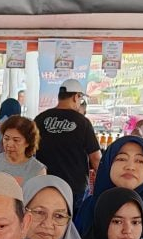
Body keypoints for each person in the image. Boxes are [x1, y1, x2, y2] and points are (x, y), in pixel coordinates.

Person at [34, 79, 102, 211]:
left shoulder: (40, 119)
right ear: (76, 97)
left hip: (45, 184)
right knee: (74, 226)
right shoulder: (83, 122)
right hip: (75, 187)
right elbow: (96, 158)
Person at [0, 115, 46, 185]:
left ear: (28, 143)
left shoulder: (38, 170)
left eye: (16, 140)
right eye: (6, 138)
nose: (9, 144)